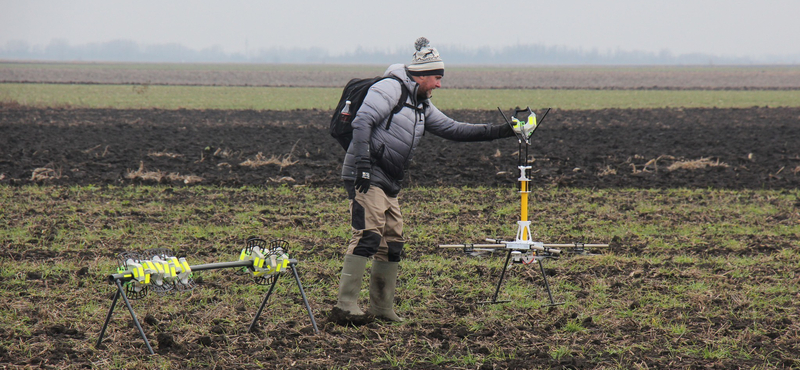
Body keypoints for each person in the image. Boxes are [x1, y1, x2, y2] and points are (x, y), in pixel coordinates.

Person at [333, 37, 533, 322]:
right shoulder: (390, 88)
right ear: (422, 75)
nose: (440, 84)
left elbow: (454, 129)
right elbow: (362, 121)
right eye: (437, 78)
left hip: (389, 179)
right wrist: (363, 164)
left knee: (392, 242)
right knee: (368, 235)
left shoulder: (420, 104)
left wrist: (505, 130)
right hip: (366, 174)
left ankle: (381, 308)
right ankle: (345, 306)